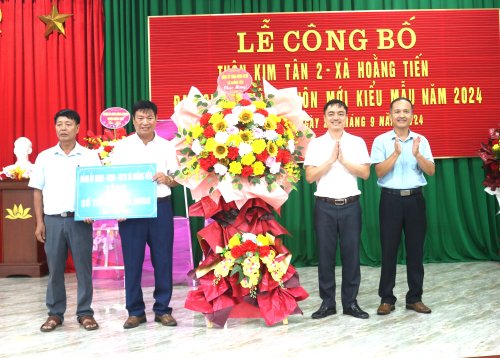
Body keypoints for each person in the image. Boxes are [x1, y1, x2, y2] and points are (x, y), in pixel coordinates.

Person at [29, 109, 101, 332]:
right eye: (59, 124)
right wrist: (40, 222)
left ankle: (85, 313)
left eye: (68, 124)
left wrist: (93, 209)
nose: (63, 128)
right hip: (53, 221)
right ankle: (55, 313)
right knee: (55, 269)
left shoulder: (89, 156)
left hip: (80, 221)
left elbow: (96, 186)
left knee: (83, 269)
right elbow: (37, 191)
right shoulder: (44, 157)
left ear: (77, 128)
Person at [111, 100, 179, 329]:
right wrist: (118, 207)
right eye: (140, 117)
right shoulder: (122, 147)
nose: (145, 122)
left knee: (163, 260)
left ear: (156, 120)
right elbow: (115, 180)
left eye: (149, 117)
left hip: (160, 206)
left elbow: (178, 178)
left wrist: (167, 179)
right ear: (133, 120)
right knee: (132, 262)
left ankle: (162, 310)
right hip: (131, 211)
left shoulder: (167, 147)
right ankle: (135, 311)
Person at [304, 99, 371, 320]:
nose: (336, 117)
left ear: (346, 117)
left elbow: (365, 173)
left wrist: (343, 160)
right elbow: (310, 176)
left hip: (351, 206)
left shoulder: (357, 142)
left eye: (340, 113)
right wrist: (331, 160)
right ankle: (327, 303)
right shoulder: (315, 144)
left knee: (352, 256)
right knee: (325, 256)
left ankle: (351, 303)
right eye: (331, 113)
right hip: (325, 206)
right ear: (324, 118)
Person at [370, 97, 435, 315]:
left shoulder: (421, 140)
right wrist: (396, 153)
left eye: (406, 111)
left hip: (415, 200)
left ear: (412, 115)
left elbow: (431, 171)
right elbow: (378, 172)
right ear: (390, 115)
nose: (401, 115)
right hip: (390, 200)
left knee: (416, 251)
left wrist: (416, 154)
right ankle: (386, 299)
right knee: (389, 250)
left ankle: (414, 298)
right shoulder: (381, 141)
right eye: (397, 111)